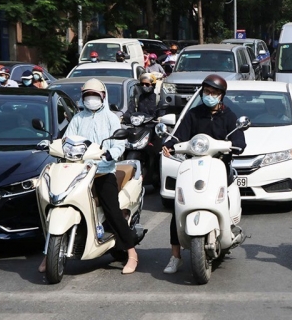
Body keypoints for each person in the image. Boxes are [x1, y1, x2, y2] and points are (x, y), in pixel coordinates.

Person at [38, 78, 139, 275]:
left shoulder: (111, 118)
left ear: (103, 96)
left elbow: (119, 143)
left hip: (102, 172)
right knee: (55, 202)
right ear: (83, 98)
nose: (91, 99)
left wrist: (111, 153)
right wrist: (52, 146)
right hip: (78, 171)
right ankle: (48, 253)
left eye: (95, 95)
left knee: (112, 210)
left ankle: (132, 253)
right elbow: (66, 140)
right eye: (87, 96)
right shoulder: (77, 118)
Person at [161, 74, 247, 274]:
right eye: (206, 92)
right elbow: (179, 135)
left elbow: (239, 141)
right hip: (194, 166)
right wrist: (169, 144)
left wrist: (236, 147)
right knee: (178, 205)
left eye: (214, 93)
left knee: (221, 197)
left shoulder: (229, 116)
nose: (209, 95)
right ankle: (175, 256)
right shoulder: (194, 114)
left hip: (219, 166)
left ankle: (228, 228)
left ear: (221, 95)